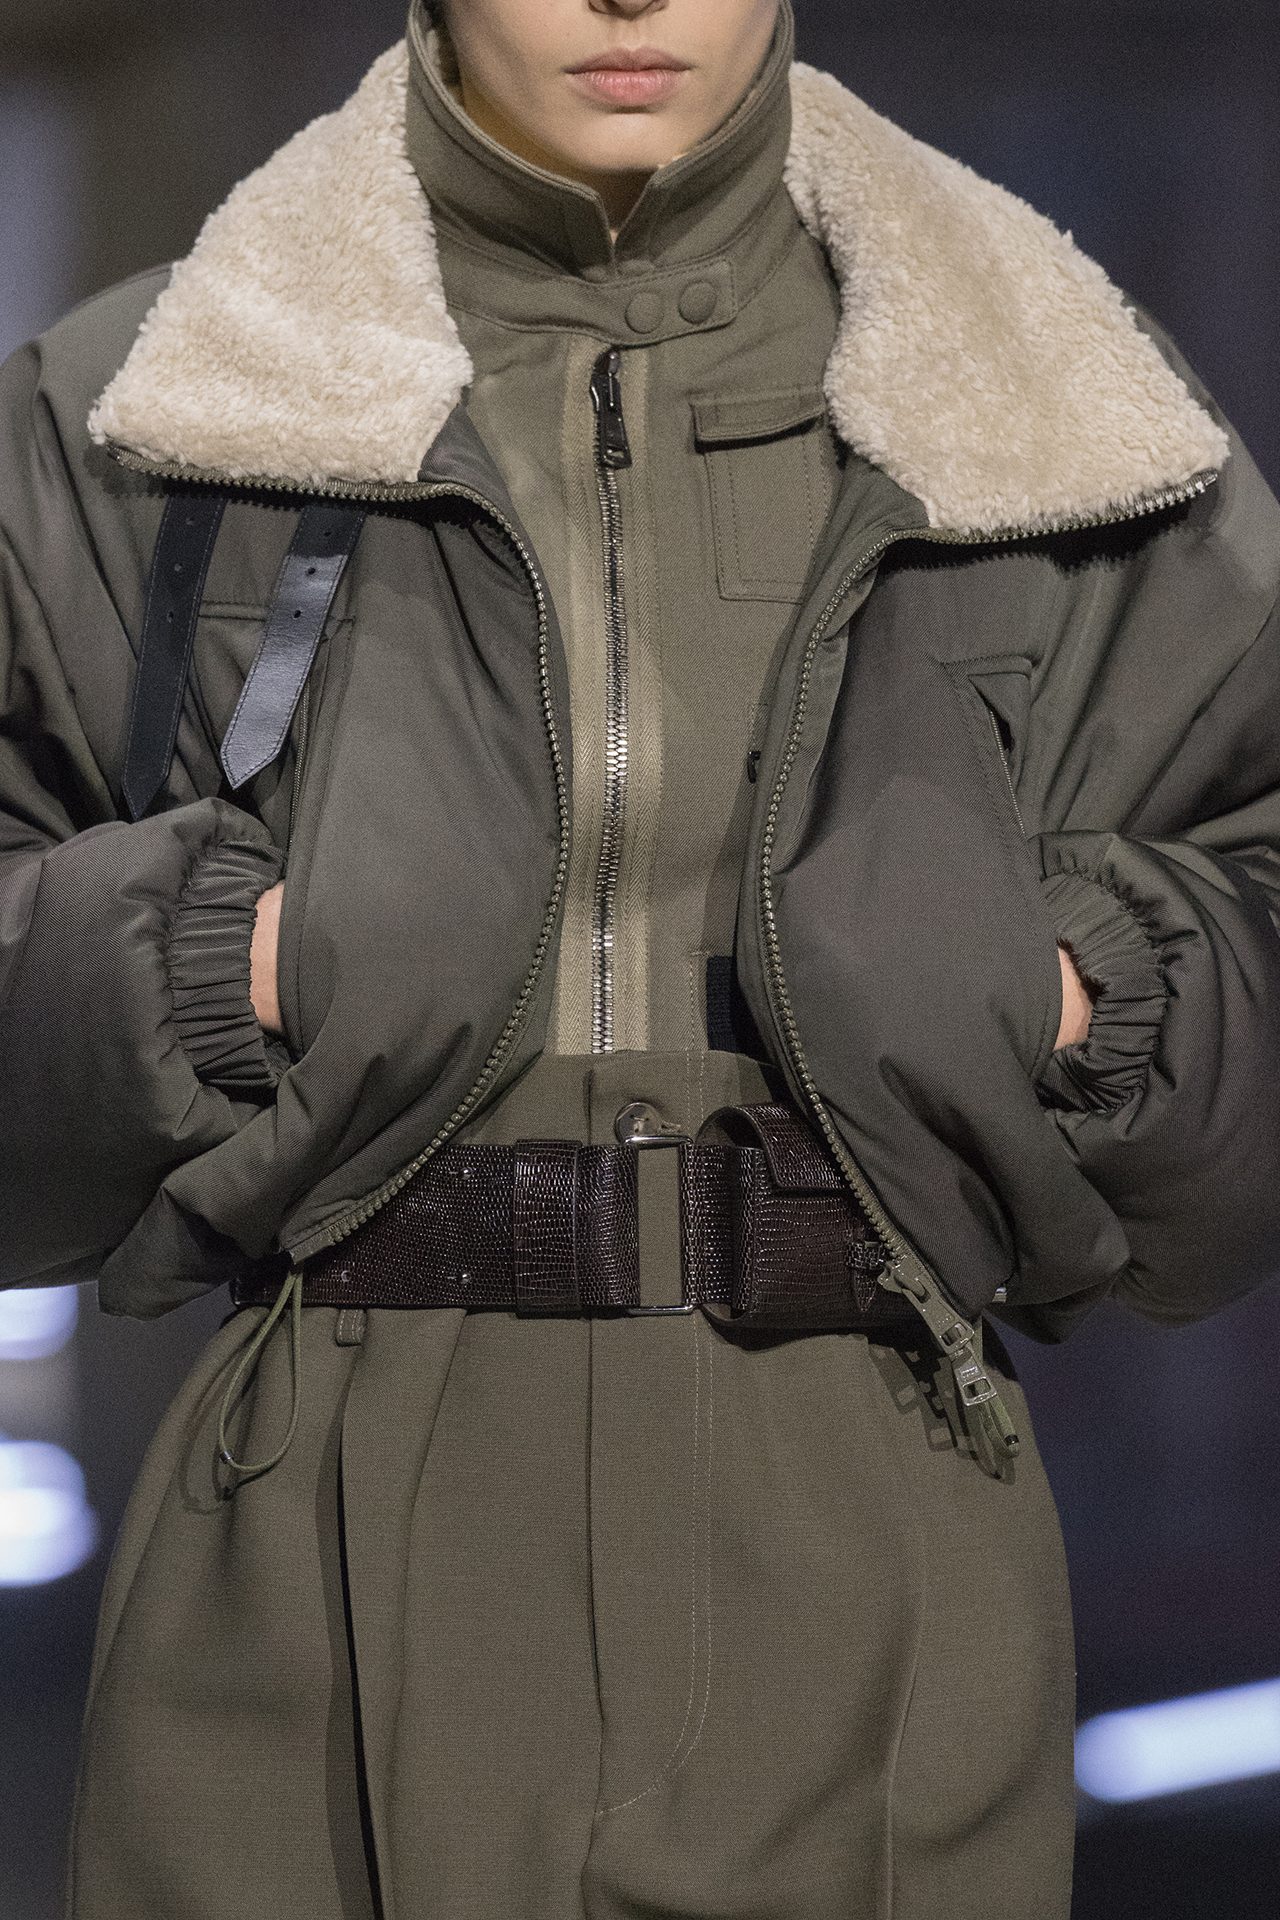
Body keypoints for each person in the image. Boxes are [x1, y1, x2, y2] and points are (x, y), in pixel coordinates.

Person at [2, 0, 1278, 1914]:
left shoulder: (1051, 401)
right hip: (305, 1545)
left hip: (865, 1518)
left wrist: (1078, 988)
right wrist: (223, 963)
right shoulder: (152, 407)